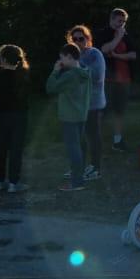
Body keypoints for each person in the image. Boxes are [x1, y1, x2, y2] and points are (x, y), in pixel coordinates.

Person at [45, 44, 91, 193]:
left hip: (69, 116)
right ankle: (79, 175)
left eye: (62, 58)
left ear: (70, 57)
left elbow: (50, 88)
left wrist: (55, 71)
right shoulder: (85, 72)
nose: (61, 61)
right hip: (81, 114)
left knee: (73, 148)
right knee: (80, 146)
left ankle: (77, 181)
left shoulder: (69, 75)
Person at [0, 44, 30, 193]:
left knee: (0, 150)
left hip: (1, 118)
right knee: (15, 151)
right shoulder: (23, 76)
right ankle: (13, 182)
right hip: (19, 118)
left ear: (4, 59)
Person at [67, 25, 106, 180]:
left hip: (93, 103)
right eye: (74, 39)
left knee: (93, 135)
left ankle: (96, 168)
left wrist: (78, 67)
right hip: (76, 103)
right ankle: (79, 167)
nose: (78, 42)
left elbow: (96, 76)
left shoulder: (95, 54)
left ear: (88, 39)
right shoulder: (71, 55)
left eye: (81, 39)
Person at [95, 8, 137, 154]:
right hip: (107, 78)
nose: (122, 24)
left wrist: (118, 56)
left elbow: (133, 55)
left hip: (124, 78)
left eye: (124, 22)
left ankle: (117, 140)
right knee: (101, 111)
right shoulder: (103, 33)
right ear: (111, 20)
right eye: (119, 21)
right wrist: (118, 38)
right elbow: (105, 50)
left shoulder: (126, 35)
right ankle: (95, 140)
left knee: (120, 110)